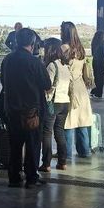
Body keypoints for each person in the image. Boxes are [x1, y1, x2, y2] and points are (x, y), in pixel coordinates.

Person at [1, 27, 52, 188]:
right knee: (32, 145)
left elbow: (3, 80)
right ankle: (31, 177)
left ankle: (14, 177)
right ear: (32, 43)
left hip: (11, 108)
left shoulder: (7, 60)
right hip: (32, 111)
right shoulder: (34, 62)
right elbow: (46, 84)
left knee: (15, 145)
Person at [61, 21, 94, 158]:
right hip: (81, 87)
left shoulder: (63, 47)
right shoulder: (81, 49)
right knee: (82, 120)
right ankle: (85, 151)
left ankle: (66, 153)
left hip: (68, 88)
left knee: (67, 122)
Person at [41, 38, 72, 171]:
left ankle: (46, 163)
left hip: (53, 102)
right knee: (59, 132)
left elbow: (47, 85)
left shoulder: (52, 65)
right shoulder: (65, 65)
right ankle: (62, 162)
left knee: (47, 132)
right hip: (65, 102)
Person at [90, 31, 104, 99]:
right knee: (100, 78)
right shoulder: (102, 45)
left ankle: (95, 91)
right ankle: (99, 93)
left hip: (95, 61)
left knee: (97, 77)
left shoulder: (94, 43)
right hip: (101, 62)